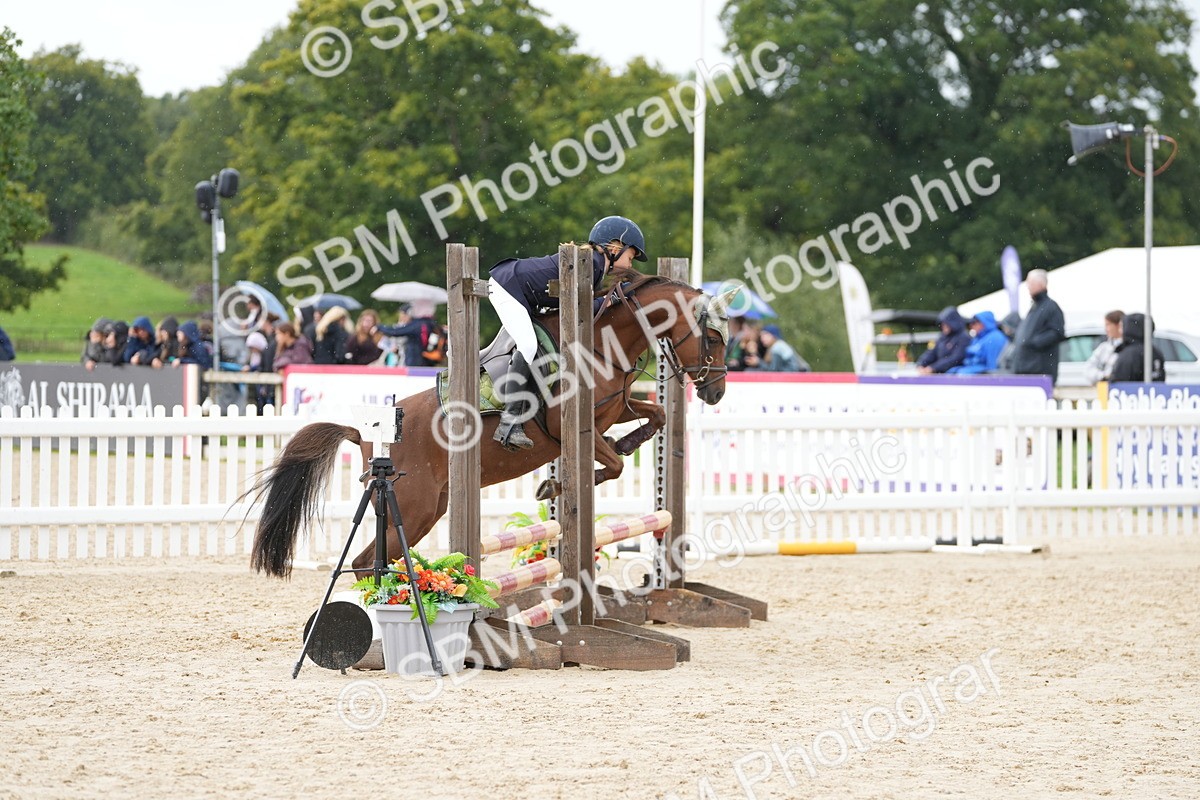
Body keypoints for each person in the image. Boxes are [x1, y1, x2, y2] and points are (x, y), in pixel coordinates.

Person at [486, 215, 647, 451]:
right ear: (614, 247)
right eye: (631, 257)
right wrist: (611, 299)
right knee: (529, 346)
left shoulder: (594, 265)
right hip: (507, 286)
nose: (632, 264)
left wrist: (609, 297)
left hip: (520, 291)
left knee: (537, 349)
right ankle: (509, 423)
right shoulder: (591, 264)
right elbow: (579, 310)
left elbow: (577, 305)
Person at [1010, 269, 1066, 382]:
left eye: (1030, 283)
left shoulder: (1050, 307)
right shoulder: (1035, 307)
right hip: (1026, 369)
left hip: (1039, 370)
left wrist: (1032, 343)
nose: (1027, 286)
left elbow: (1057, 332)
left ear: (1041, 284)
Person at [1110, 313, 1165, 382]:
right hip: (1153, 392)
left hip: (1132, 392)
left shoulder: (1128, 355)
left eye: (1122, 327)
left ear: (1129, 329)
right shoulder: (1155, 352)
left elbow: (1119, 384)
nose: (1120, 331)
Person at [916, 307, 971, 374]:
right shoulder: (942, 338)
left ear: (953, 323)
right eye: (942, 324)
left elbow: (956, 358)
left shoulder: (964, 338)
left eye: (946, 324)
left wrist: (933, 368)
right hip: (941, 373)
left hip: (955, 374)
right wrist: (921, 364)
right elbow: (931, 353)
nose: (943, 327)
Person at [1082, 310, 1125, 385]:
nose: (1106, 329)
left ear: (1118, 325)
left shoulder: (1129, 348)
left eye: (1108, 325)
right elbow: (1088, 370)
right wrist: (1103, 376)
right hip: (1103, 391)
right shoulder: (1103, 348)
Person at [745, 324, 810, 372]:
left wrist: (758, 362)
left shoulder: (778, 347)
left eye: (765, 335)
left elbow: (773, 370)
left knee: (749, 371)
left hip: (794, 376)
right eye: (761, 335)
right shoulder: (778, 345)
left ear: (773, 335)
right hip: (793, 375)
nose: (762, 338)